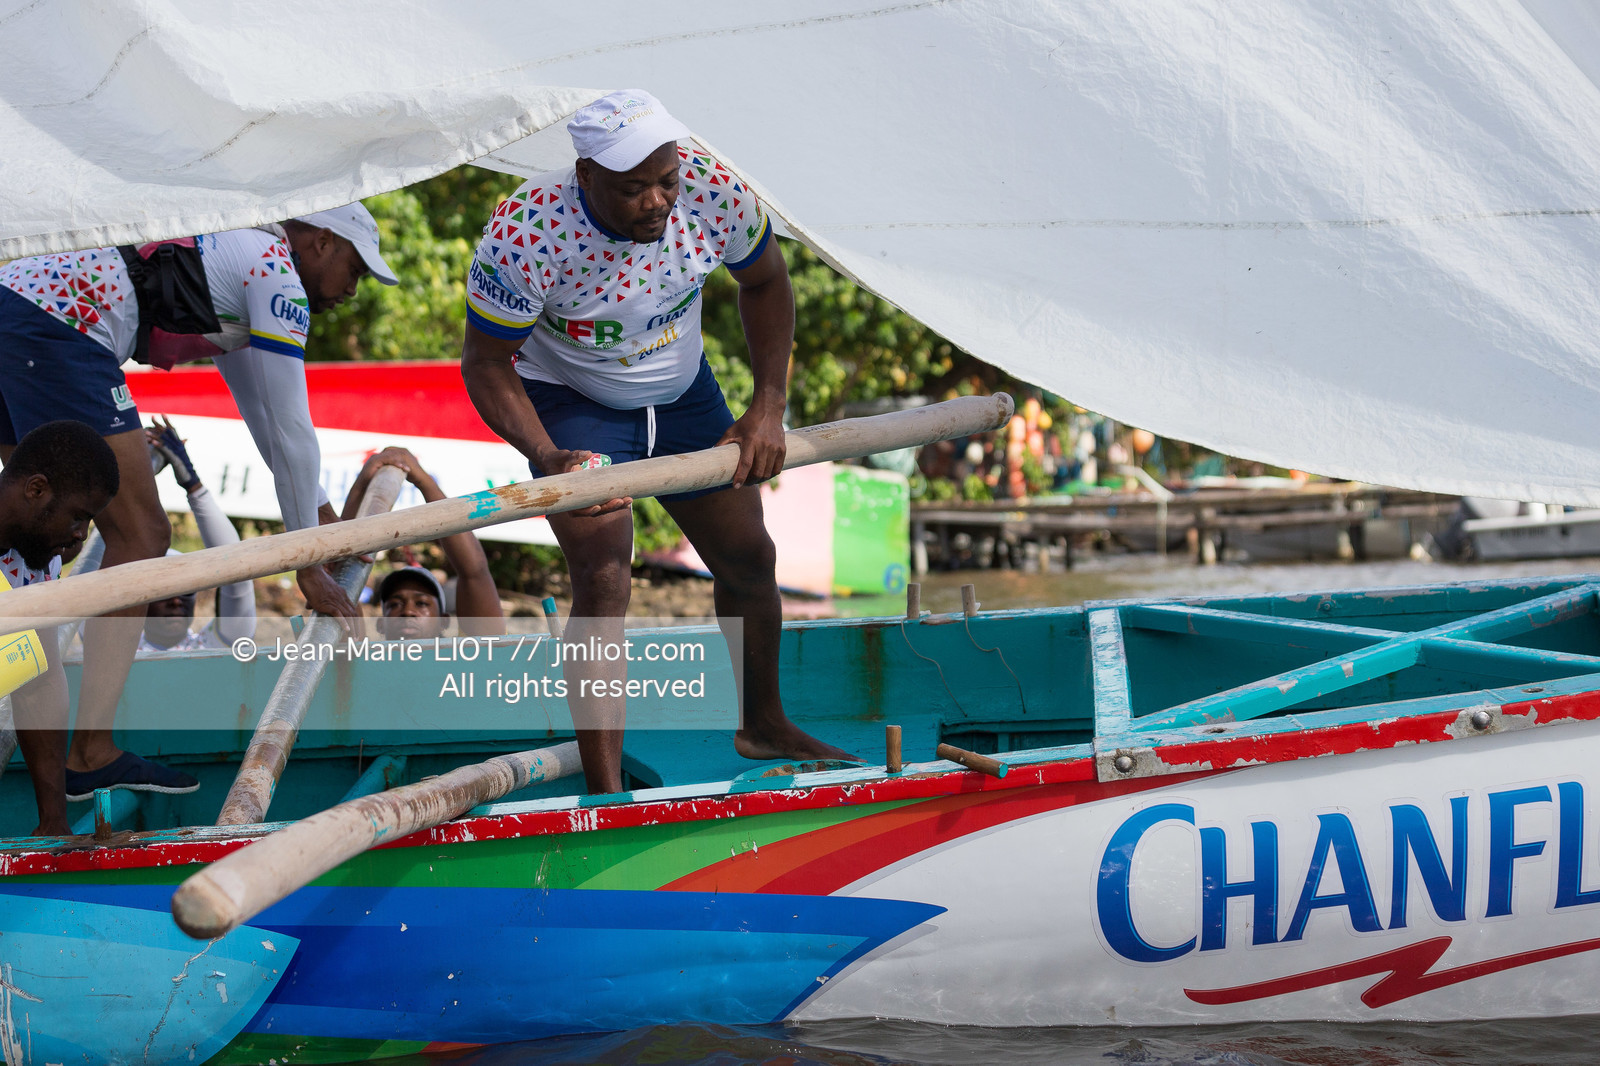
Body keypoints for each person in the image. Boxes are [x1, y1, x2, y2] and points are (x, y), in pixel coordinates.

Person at [459, 89, 850, 794]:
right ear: (585, 176)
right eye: (632, 188)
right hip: (572, 402)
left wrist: (767, 407)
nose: (656, 202)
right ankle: (606, 792)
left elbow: (766, 281)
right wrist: (549, 460)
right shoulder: (524, 232)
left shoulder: (711, 187)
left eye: (664, 181)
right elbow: (485, 364)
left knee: (749, 556)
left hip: (682, 395)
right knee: (605, 575)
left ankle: (762, 724)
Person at [0, 203, 396, 796]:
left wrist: (315, 516)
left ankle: (50, 786)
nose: (351, 290)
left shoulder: (240, 255)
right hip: (60, 319)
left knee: (31, 544)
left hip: (18, 299)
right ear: (319, 241)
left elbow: (263, 416)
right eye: (355, 270)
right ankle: (91, 750)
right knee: (142, 535)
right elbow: (290, 426)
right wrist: (307, 564)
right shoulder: (277, 274)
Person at [0, 421, 119, 833]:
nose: (80, 536)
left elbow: (39, 680)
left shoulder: (38, 559)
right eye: (79, 517)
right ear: (36, 490)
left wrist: (54, 822)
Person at [72, 418, 257, 652]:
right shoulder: (113, 647)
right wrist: (135, 482)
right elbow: (85, 585)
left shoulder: (213, 646)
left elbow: (238, 570)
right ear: (141, 600)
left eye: (186, 590)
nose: (176, 601)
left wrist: (192, 481)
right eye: (165, 590)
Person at [340, 447, 505, 641]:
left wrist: (424, 481)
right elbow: (341, 580)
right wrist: (362, 483)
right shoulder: (364, 666)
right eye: (394, 604)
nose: (408, 612)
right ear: (381, 623)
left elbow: (474, 572)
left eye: (422, 604)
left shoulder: (467, 661)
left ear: (444, 621)